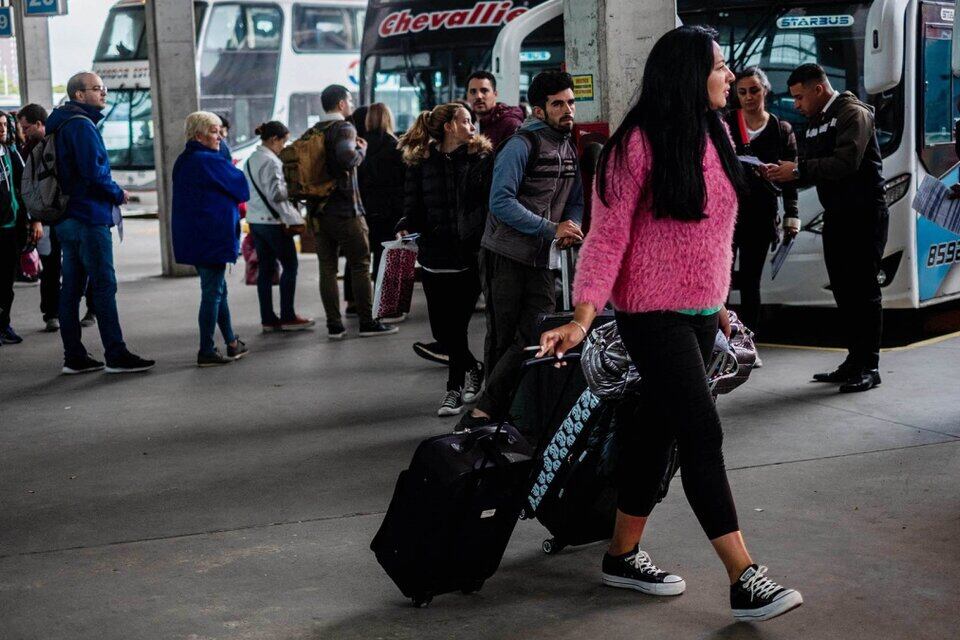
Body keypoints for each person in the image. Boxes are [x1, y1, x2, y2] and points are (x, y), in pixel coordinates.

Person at [537, 26, 803, 622]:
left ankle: (621, 553)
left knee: (656, 435)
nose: (730, 77)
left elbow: (707, 235)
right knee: (701, 435)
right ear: (687, 73)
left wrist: (719, 304)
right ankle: (744, 576)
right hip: (650, 317)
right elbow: (607, 241)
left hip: (701, 314)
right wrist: (583, 316)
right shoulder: (633, 146)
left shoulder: (714, 134)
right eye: (719, 67)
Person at [456, 70, 584, 431]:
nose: (568, 109)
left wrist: (572, 225)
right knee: (502, 336)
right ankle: (488, 417)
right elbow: (501, 202)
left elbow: (575, 201)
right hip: (504, 255)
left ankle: (498, 410)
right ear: (539, 110)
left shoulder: (567, 146)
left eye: (571, 102)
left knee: (535, 330)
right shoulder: (520, 145)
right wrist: (550, 229)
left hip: (541, 258)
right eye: (558, 104)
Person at [765, 63, 888, 393]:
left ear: (818, 89)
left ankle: (869, 366)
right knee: (844, 291)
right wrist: (784, 172)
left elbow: (845, 163)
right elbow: (810, 168)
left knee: (863, 291)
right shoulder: (816, 121)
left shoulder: (852, 113)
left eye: (800, 97)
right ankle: (853, 360)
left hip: (864, 216)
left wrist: (797, 171)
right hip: (838, 216)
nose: (796, 105)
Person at [47, 72, 154, 374]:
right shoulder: (81, 126)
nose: (104, 94)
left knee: (71, 288)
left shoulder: (61, 122)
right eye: (98, 89)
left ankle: (74, 356)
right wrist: (118, 193)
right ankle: (116, 354)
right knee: (104, 285)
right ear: (79, 95)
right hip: (88, 217)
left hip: (67, 217)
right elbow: (93, 173)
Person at [397, 104, 491, 416]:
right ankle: (474, 368)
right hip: (434, 256)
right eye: (465, 121)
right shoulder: (420, 162)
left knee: (457, 326)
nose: (472, 127)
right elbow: (411, 206)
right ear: (449, 126)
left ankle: (452, 390)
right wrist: (405, 228)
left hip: (469, 255)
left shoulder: (479, 158)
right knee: (443, 332)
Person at [309, 84, 396, 339]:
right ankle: (368, 322)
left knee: (327, 267)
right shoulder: (344, 128)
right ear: (341, 104)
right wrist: (362, 150)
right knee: (360, 263)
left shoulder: (312, 131)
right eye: (349, 99)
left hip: (318, 210)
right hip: (346, 209)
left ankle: (334, 325)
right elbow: (348, 159)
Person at [724, 66, 799, 348]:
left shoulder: (781, 129)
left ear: (765, 91)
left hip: (762, 213)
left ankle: (747, 342)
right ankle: (721, 339)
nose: (748, 97)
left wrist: (792, 214)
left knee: (751, 282)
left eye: (754, 90)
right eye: (742, 92)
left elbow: (792, 174)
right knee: (723, 280)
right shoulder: (727, 125)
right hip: (729, 214)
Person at [172, 111, 251, 367]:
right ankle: (206, 348)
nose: (221, 136)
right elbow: (241, 187)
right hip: (213, 236)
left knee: (218, 290)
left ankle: (231, 342)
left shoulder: (185, 160)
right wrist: (223, 151)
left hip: (195, 236)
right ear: (199, 135)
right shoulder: (209, 160)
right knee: (212, 293)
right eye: (215, 132)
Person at [17, 104, 96, 332]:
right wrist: (36, 218)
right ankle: (51, 313)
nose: (23, 132)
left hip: (68, 214)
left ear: (40, 124)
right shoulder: (27, 149)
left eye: (26, 127)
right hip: (48, 218)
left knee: (82, 263)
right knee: (51, 268)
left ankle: (91, 309)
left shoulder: (60, 143)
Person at [245, 120, 314, 332]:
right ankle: (288, 315)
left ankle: (268, 318)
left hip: (255, 221)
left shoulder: (251, 159)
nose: (283, 147)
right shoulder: (272, 161)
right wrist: (294, 189)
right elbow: (276, 193)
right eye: (283, 142)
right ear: (274, 139)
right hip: (274, 223)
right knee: (290, 266)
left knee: (265, 270)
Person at [358, 103, 406, 295]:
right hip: (389, 210)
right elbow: (401, 182)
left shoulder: (360, 145)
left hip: (364, 208)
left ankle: (356, 302)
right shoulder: (395, 146)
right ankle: (385, 301)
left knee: (361, 257)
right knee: (386, 254)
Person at [0, 110, 32, 345]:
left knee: (7, 282)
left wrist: (33, 219)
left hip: (12, 227)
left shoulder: (10, 153)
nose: (2, 130)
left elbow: (24, 188)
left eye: (3, 125)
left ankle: (4, 324)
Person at [466, 71, 525, 147]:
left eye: (484, 91)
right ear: (467, 96)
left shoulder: (510, 125)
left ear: (495, 94)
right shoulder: (465, 124)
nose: (478, 96)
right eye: (473, 91)